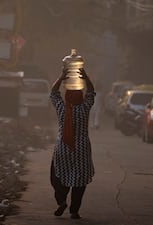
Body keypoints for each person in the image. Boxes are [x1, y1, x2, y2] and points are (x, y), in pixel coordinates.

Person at [49, 67, 95, 219]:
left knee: (58, 177)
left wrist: (61, 77)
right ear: (80, 97)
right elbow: (91, 93)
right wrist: (86, 77)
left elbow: (53, 93)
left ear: (67, 97)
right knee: (79, 181)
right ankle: (74, 210)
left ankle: (61, 201)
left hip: (63, 149)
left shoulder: (62, 108)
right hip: (81, 151)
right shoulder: (84, 108)